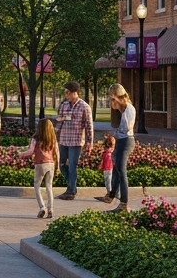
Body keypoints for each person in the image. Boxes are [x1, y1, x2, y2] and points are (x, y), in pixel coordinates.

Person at [96, 84, 136, 213]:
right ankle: (111, 195)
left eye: (111, 98)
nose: (110, 102)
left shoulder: (129, 109)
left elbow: (127, 128)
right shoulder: (122, 110)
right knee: (117, 170)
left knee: (121, 171)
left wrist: (115, 134)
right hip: (121, 141)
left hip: (126, 142)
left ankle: (123, 204)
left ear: (117, 97)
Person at [54, 81, 91, 201]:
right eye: (65, 93)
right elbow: (59, 121)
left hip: (76, 141)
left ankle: (71, 190)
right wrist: (53, 135)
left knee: (72, 166)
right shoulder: (64, 105)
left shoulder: (84, 107)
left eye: (67, 92)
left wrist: (89, 142)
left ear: (74, 92)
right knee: (61, 164)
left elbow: (89, 126)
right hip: (64, 140)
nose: (66, 95)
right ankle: (72, 187)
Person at [19, 118, 58, 219]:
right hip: (51, 164)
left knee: (37, 185)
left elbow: (30, 151)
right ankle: (50, 209)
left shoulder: (35, 138)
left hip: (40, 164)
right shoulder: (52, 139)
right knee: (49, 187)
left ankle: (42, 207)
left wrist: (21, 154)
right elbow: (57, 153)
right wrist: (57, 166)